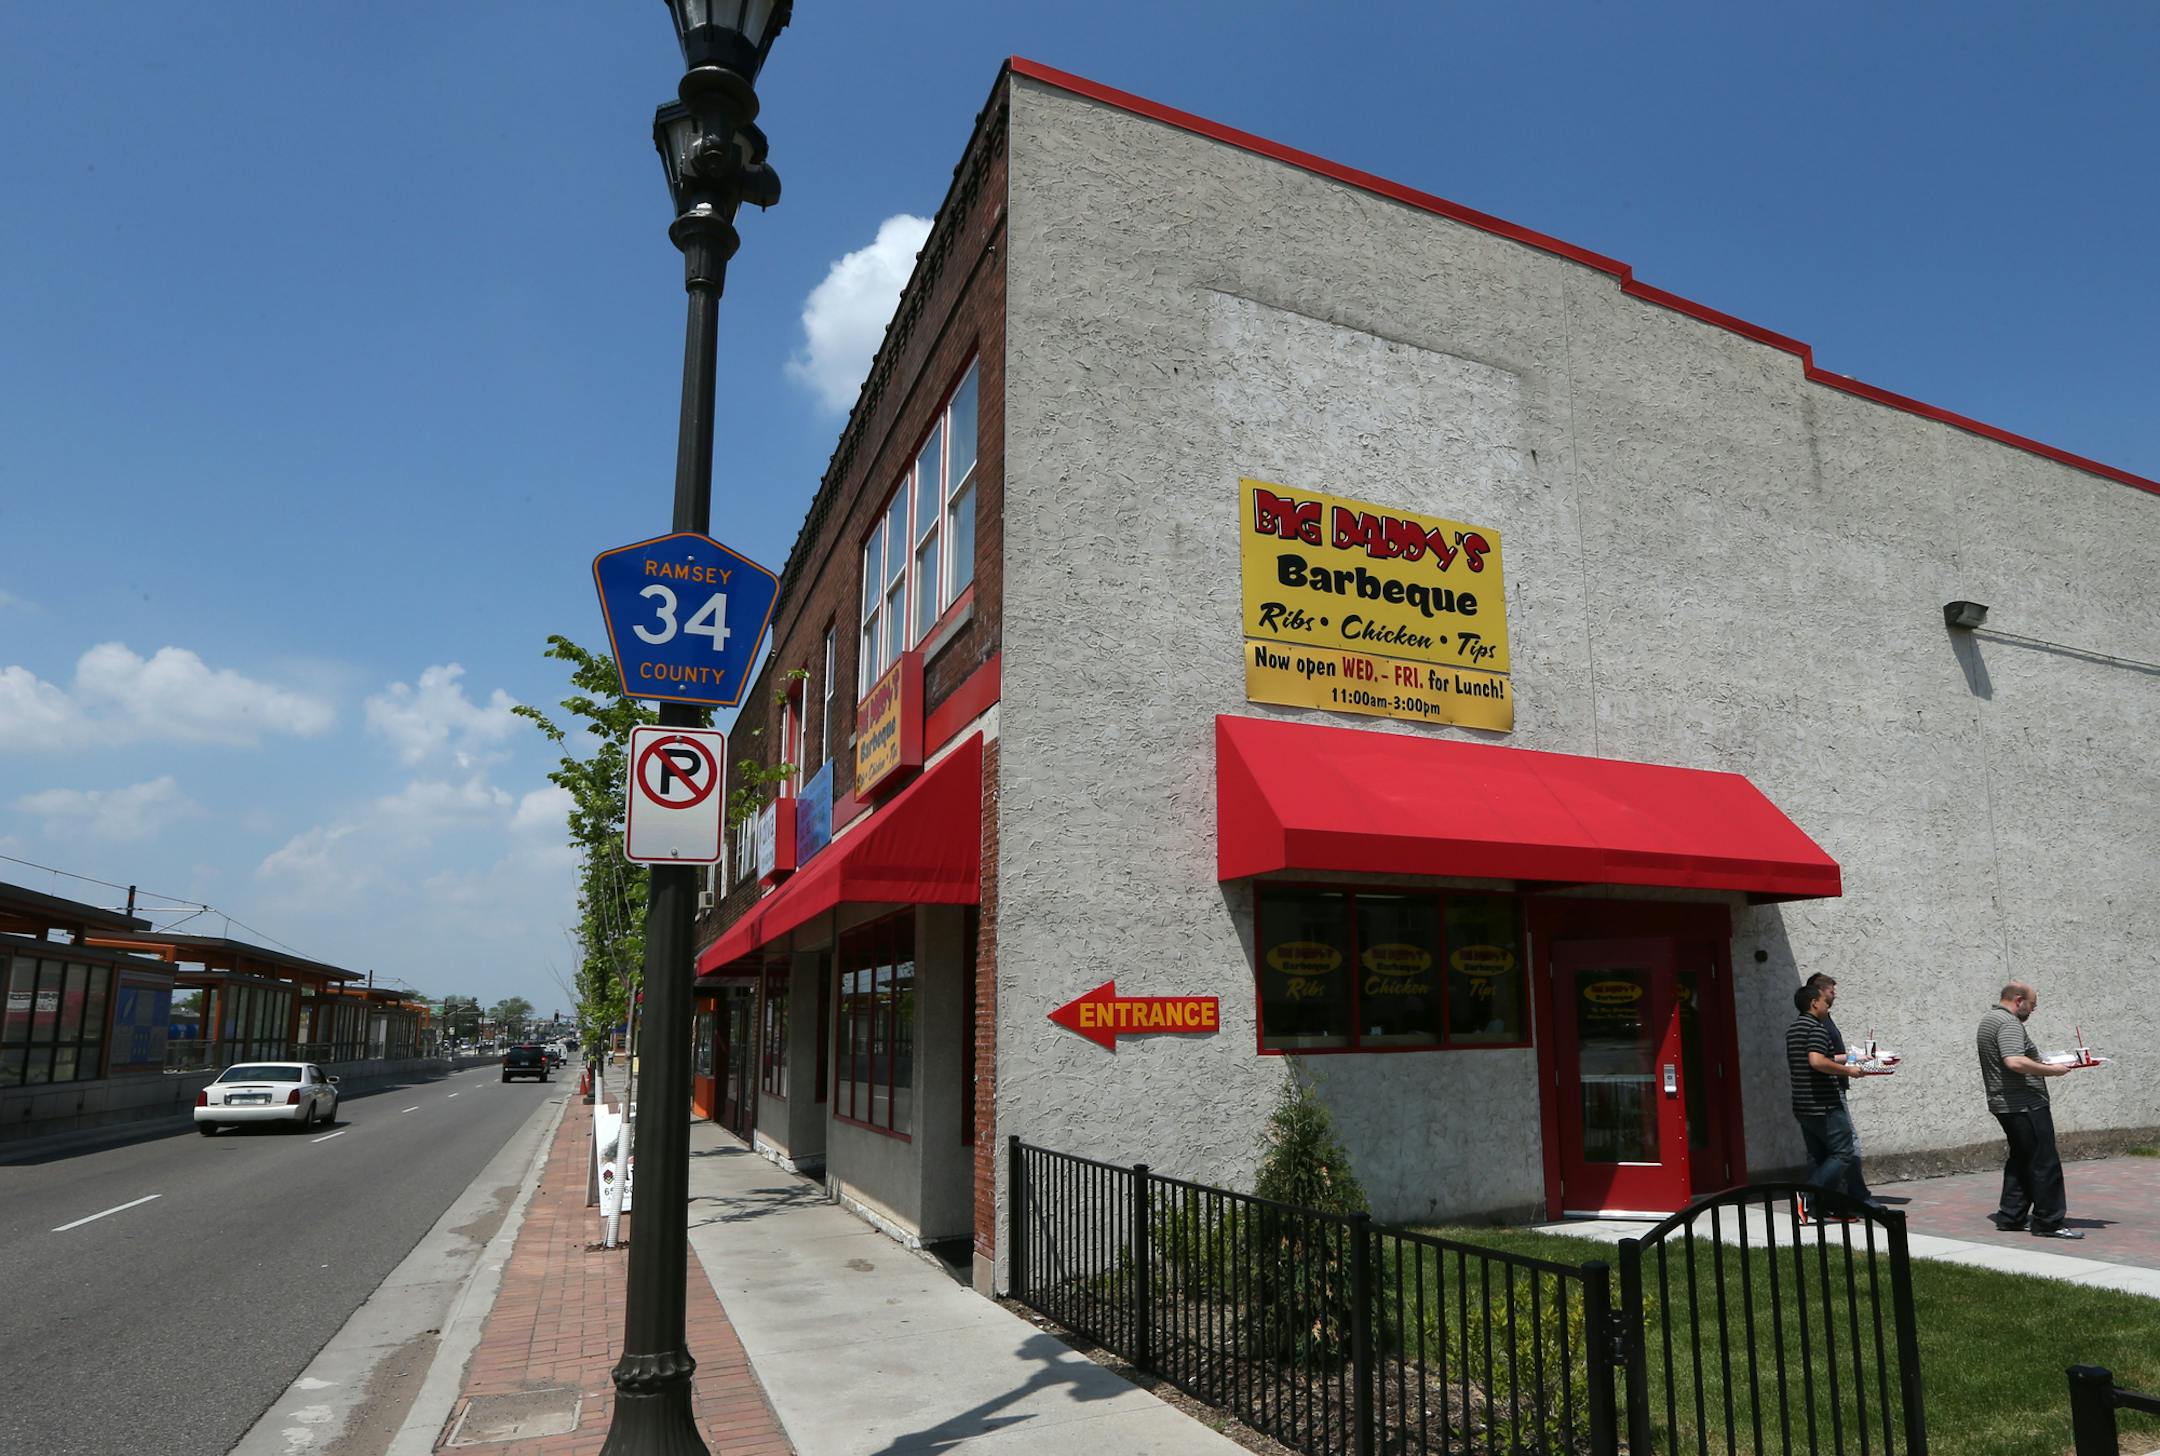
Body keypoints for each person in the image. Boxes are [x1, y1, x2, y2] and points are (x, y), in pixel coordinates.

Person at [1977, 982, 2086, 1239]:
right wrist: (2053, 1070)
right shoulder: (2008, 1023)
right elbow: (2014, 1061)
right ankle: (2049, 1222)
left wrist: (2046, 1061)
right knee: (2044, 1162)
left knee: (2022, 1160)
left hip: (2006, 1104)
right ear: (2018, 999)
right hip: (2024, 1104)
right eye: (2032, 1005)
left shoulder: (1989, 1020)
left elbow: (2016, 1058)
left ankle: (2011, 1217)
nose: (2033, 1010)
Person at [1786, 982, 1882, 1219]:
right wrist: (1849, 1071)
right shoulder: (1818, 1029)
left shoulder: (1794, 1029)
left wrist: (1852, 1058)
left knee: (1820, 1158)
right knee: (1843, 1153)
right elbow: (1817, 1061)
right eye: (1825, 1001)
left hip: (1802, 1105)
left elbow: (1818, 1058)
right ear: (1813, 1003)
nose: (1829, 1004)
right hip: (1824, 1105)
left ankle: (1822, 1207)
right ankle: (1806, 1196)